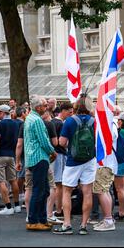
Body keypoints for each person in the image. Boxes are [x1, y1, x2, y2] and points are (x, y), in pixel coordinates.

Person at [53, 96, 96, 235]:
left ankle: (67, 224)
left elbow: (62, 142)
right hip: (90, 159)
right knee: (87, 192)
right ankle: (83, 225)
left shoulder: (70, 121)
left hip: (73, 161)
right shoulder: (94, 122)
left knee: (67, 191)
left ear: (75, 107)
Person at [24, 95, 57, 231]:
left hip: (32, 157)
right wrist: (53, 151)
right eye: (44, 105)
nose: (46, 107)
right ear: (38, 107)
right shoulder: (37, 120)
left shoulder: (29, 118)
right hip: (39, 157)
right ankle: (33, 220)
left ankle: (41, 219)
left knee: (42, 190)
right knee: (39, 190)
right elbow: (44, 141)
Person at [0, 104, 21, 215]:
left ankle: (8, 206)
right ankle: (17, 205)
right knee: (13, 180)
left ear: (3, 113)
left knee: (0, 181)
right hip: (11, 155)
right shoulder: (16, 124)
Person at [50, 102, 73, 219]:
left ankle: (55, 208)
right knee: (59, 184)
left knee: (54, 183)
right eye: (69, 112)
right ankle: (59, 210)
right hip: (60, 154)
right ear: (63, 111)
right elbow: (62, 142)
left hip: (52, 155)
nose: (71, 114)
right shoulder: (61, 124)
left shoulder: (51, 122)